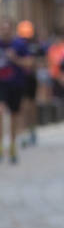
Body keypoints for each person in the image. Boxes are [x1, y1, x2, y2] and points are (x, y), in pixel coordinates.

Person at [0, 19, 28, 163]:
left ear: (12, 30)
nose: (5, 31)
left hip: (16, 84)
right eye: (2, 28)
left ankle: (11, 145)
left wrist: (15, 58)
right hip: (1, 84)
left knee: (13, 116)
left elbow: (30, 63)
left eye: (7, 28)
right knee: (1, 110)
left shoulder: (19, 45)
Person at [16, 20, 41, 148]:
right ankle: (24, 132)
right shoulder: (18, 44)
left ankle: (31, 130)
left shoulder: (35, 45)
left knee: (31, 106)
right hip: (20, 79)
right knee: (24, 106)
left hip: (31, 79)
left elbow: (35, 62)